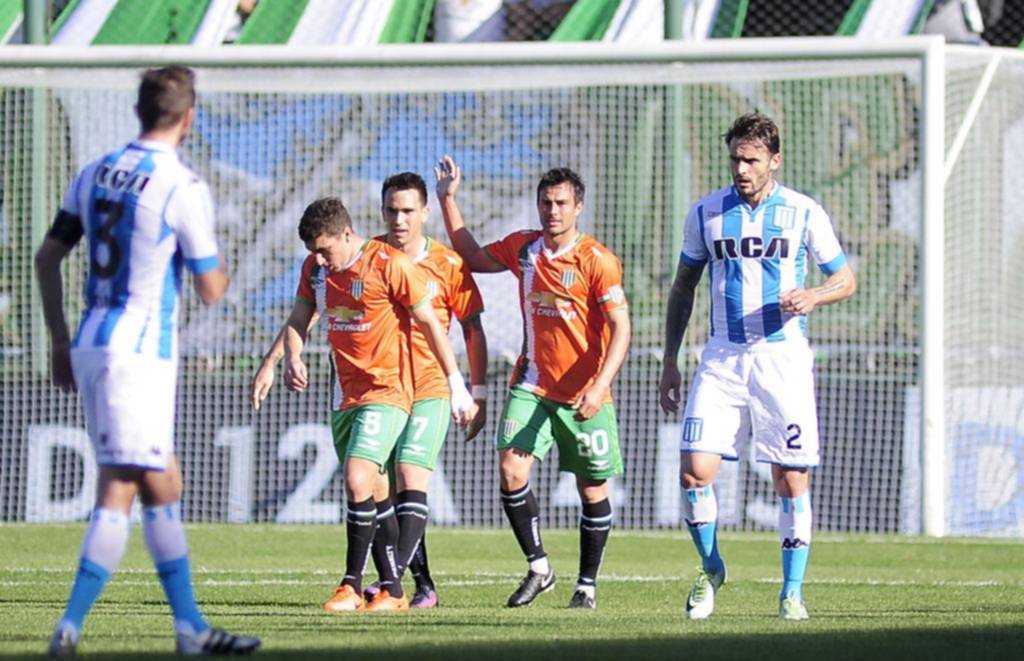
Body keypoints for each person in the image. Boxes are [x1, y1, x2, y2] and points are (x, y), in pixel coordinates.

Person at [35, 66, 260, 656]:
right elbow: (212, 288)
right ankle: (71, 626)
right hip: (138, 352)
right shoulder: (180, 186)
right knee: (122, 489)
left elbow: (47, 255)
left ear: (140, 111)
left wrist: (58, 339)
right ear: (189, 118)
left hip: (91, 338)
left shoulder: (95, 171)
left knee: (162, 482)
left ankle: (189, 628)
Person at [251, 173, 488, 610]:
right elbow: (301, 318)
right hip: (349, 393)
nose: (398, 219)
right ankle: (406, 586)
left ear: (423, 213)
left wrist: (469, 389)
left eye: (407, 211)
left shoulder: (411, 264)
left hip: (415, 385)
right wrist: (280, 360)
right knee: (381, 493)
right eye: (391, 210)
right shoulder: (324, 269)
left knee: (395, 477)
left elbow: (456, 326)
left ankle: (363, 584)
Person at [657, 112, 856, 622]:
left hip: (781, 358)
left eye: (751, 160)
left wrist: (815, 293)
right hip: (722, 355)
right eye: (736, 159)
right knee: (694, 472)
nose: (742, 169)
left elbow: (846, 280)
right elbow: (684, 288)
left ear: (774, 161)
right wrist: (671, 361)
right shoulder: (707, 213)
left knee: (791, 479)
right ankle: (711, 566)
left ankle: (791, 591)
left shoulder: (804, 212)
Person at [436, 157, 631, 609]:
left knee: (592, 490)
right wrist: (447, 199)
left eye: (562, 202)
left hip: (585, 393)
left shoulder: (597, 260)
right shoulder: (525, 250)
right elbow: (473, 255)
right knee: (511, 469)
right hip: (532, 385)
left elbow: (622, 328)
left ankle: (586, 585)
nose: (553, 210)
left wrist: (600, 386)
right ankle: (540, 567)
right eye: (546, 202)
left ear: (578, 206)